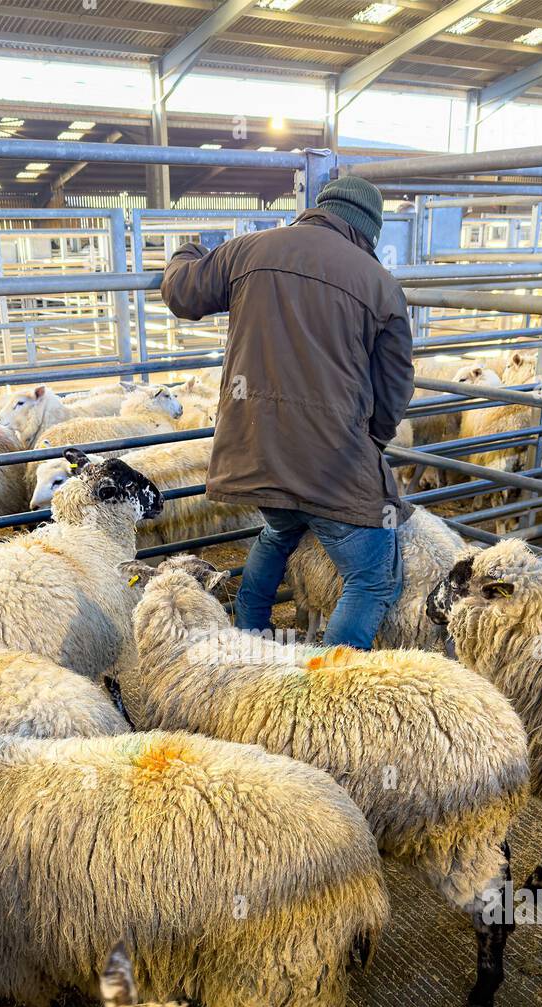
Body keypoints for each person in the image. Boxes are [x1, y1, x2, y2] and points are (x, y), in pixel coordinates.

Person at [160, 174, 414, 650]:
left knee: (278, 533)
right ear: (367, 230)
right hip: (333, 462)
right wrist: (370, 442)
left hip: (257, 450)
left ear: (321, 207)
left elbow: (182, 295)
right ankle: (325, 690)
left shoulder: (249, 249)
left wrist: (185, 254)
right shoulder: (379, 284)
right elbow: (395, 386)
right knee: (373, 580)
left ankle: (251, 650)